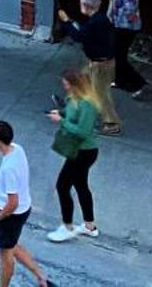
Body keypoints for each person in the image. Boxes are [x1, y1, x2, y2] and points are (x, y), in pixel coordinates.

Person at [0, 119, 50, 287]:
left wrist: (0, 216)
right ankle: (41, 278)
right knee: (13, 245)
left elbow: (12, 202)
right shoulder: (18, 149)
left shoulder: (8, 168)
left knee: (6, 255)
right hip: (24, 208)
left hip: (11, 214)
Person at [46, 68, 103, 243]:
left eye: (66, 83)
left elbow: (83, 132)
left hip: (83, 152)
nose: (64, 86)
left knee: (63, 186)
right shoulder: (74, 98)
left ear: (75, 85)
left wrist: (61, 121)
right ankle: (89, 226)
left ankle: (68, 227)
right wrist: (61, 113)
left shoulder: (87, 104)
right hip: (80, 151)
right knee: (80, 185)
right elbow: (71, 112)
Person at [58, 0, 123, 134]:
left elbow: (79, 36)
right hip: (98, 62)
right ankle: (71, 106)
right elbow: (85, 31)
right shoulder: (100, 18)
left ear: (85, 5)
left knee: (101, 94)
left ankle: (112, 125)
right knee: (80, 82)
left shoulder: (95, 22)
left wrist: (66, 22)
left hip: (100, 65)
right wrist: (72, 22)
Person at [107, 0, 146, 96]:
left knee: (119, 56)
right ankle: (119, 80)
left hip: (125, 27)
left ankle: (137, 83)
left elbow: (130, 7)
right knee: (116, 54)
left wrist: (114, 4)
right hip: (122, 25)